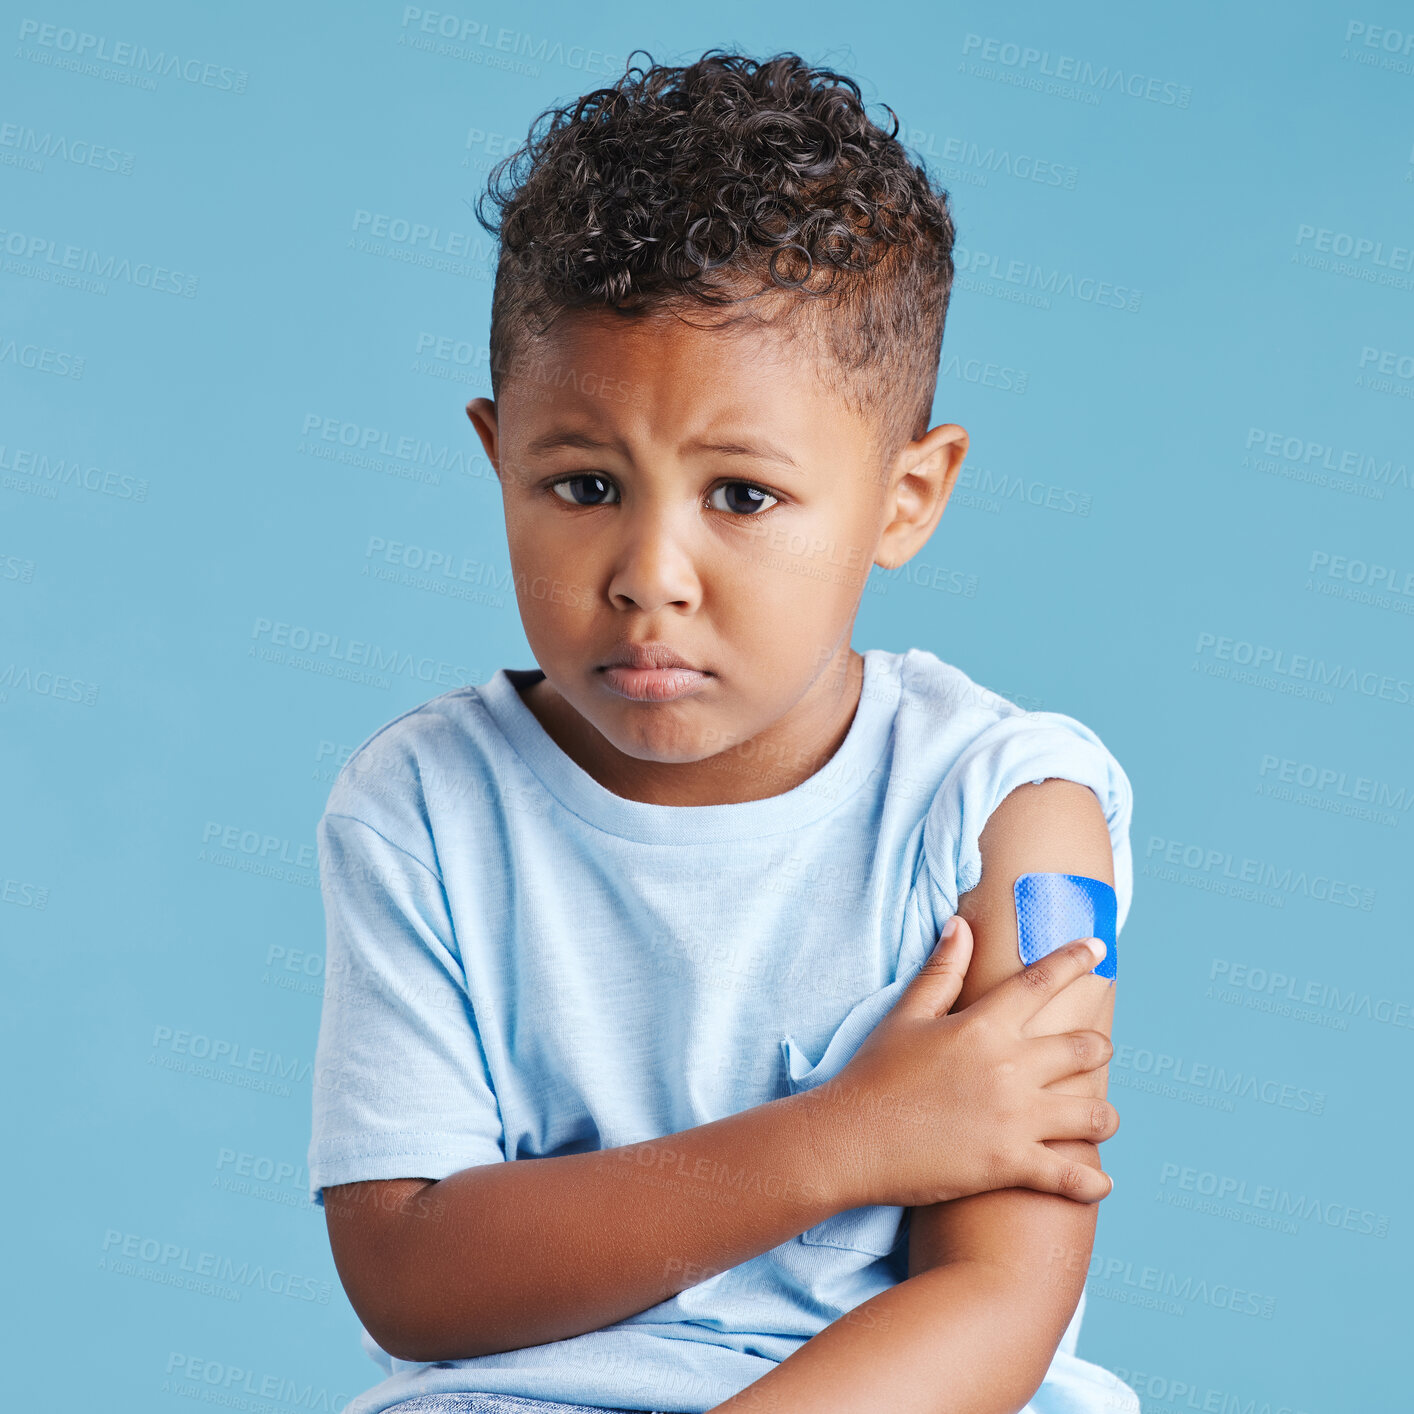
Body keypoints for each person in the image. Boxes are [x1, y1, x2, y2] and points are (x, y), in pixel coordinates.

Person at [307, 48, 1140, 1414]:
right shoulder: (420, 806)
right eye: (581, 483)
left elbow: (1002, 1293)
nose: (649, 571)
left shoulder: (1014, 817)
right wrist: (846, 1138)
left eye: (741, 497)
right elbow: (409, 1271)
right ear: (493, 455)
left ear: (905, 496)